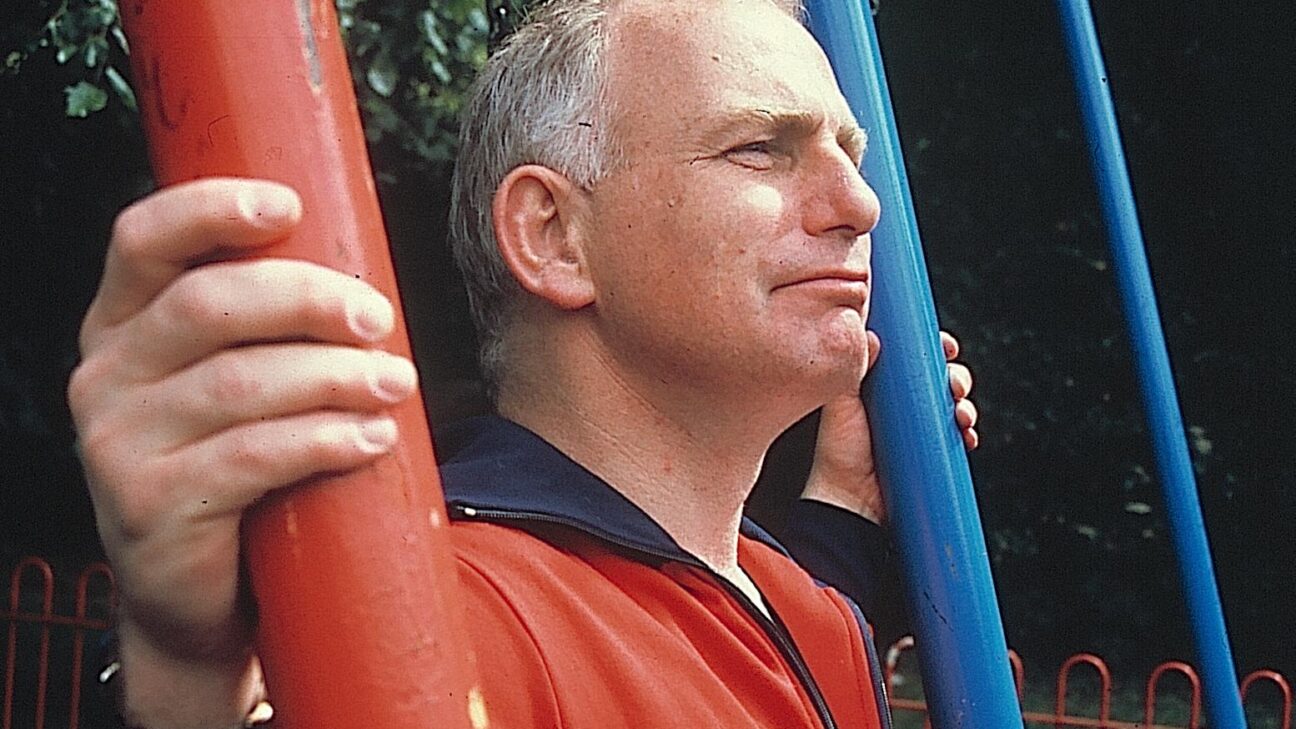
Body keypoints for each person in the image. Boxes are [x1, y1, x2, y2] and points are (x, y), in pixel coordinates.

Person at [68, 0, 978, 726]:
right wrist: (188, 685)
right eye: (759, 149)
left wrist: (847, 509)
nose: (860, 203)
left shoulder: (799, 602)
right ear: (553, 236)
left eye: (849, 154)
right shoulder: (449, 612)